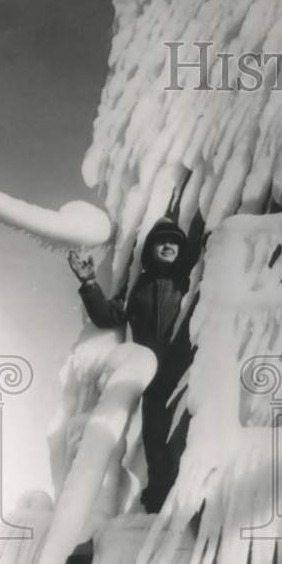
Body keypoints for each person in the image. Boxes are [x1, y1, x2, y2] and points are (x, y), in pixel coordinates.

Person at [68, 214, 202, 513]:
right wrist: (89, 283)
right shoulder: (137, 288)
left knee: (186, 437)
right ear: (151, 249)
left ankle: (190, 503)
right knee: (156, 441)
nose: (168, 246)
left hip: (186, 376)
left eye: (174, 242)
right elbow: (108, 316)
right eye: (161, 242)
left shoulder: (190, 284)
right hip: (153, 378)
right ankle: (158, 504)